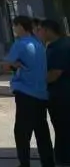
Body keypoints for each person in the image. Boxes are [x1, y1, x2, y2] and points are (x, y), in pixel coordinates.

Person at [6, 15, 54, 167]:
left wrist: (15, 65)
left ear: (20, 26)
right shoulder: (39, 44)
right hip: (41, 94)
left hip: (25, 93)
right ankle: (48, 162)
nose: (14, 29)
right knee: (42, 131)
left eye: (15, 26)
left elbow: (6, 66)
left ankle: (24, 163)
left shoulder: (20, 44)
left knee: (21, 132)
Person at [39, 19, 70, 166]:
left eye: (40, 30)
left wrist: (36, 82)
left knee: (63, 126)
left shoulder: (61, 47)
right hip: (58, 94)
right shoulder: (54, 46)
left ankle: (64, 157)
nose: (39, 33)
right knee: (61, 126)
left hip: (62, 95)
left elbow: (55, 73)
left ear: (48, 30)